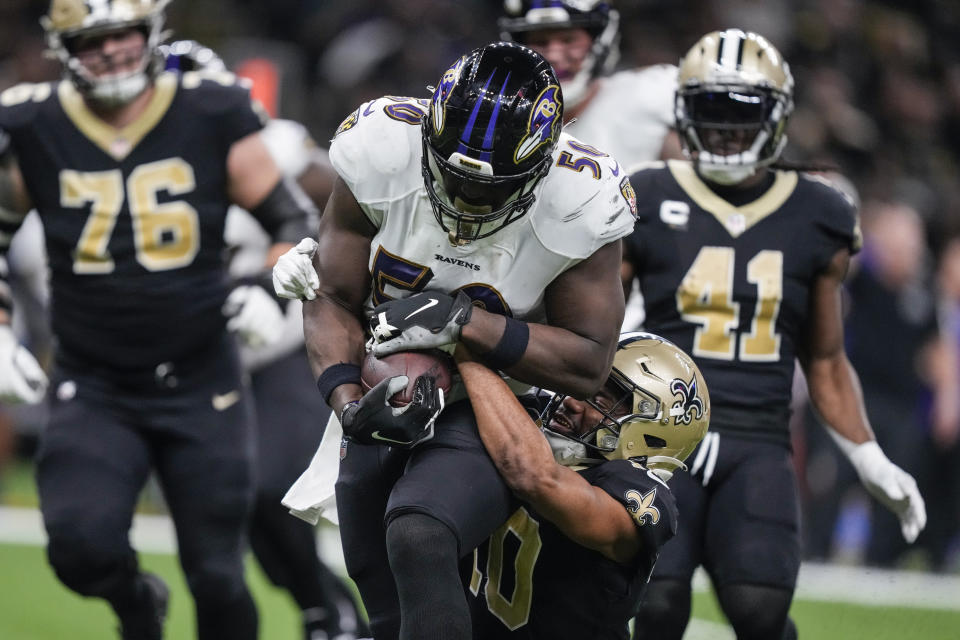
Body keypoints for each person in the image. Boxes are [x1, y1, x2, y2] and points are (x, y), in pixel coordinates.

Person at [273, 41, 636, 639]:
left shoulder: (581, 197)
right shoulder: (383, 146)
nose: (466, 200)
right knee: (384, 598)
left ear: (541, 163)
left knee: (420, 531)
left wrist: (464, 323)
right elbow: (335, 296)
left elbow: (587, 361)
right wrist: (345, 400)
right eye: (451, 175)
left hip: (502, 401)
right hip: (384, 381)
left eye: (489, 188)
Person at [0, 1, 317, 637]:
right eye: (92, 39)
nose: (111, 51)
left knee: (218, 574)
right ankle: (134, 601)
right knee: (78, 548)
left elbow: (294, 220)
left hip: (203, 380)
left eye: (122, 33)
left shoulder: (210, 108)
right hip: (94, 382)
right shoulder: (34, 122)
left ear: (151, 32)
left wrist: (268, 287)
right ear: (63, 47)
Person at [622, 29, 927, 640]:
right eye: (711, 110)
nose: (727, 129)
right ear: (685, 113)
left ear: (777, 117)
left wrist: (866, 453)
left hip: (758, 436)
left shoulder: (819, 213)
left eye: (742, 113)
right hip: (656, 434)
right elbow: (603, 322)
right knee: (653, 607)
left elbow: (825, 355)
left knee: (759, 605)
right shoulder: (647, 193)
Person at [165, 39, 369, 640]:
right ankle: (321, 606)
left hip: (279, 344)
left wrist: (278, 276)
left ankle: (328, 609)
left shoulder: (271, 144)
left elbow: (338, 203)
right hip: (204, 356)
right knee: (236, 504)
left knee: (268, 484)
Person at [456, 332, 710, 639]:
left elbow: (536, 477)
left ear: (654, 431)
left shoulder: (641, 492)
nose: (573, 402)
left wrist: (465, 349)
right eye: (578, 386)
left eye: (601, 398)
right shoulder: (530, 422)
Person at [499, 0, 679, 332]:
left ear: (600, 39)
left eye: (568, 40)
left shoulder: (650, 97)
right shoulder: (498, 118)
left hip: (639, 311)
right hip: (529, 312)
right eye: (540, 41)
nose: (553, 54)